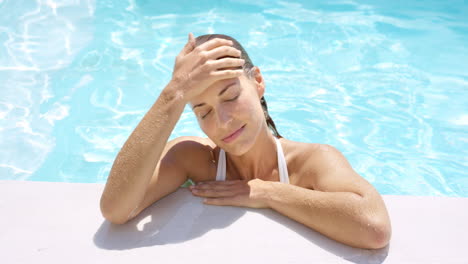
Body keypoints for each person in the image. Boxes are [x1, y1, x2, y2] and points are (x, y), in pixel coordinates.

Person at [100, 33, 392, 249]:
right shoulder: (195, 159)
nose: (222, 121)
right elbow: (116, 209)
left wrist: (266, 193)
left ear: (258, 82)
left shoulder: (310, 162)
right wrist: (173, 95)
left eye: (231, 96)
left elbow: (374, 228)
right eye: (203, 111)